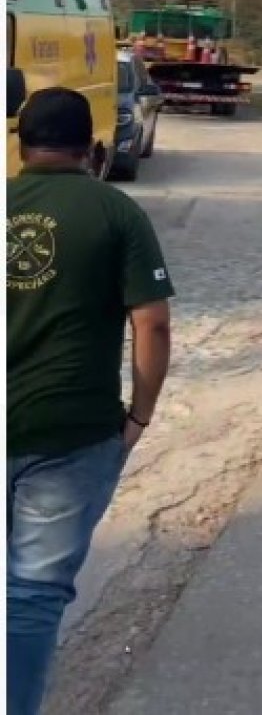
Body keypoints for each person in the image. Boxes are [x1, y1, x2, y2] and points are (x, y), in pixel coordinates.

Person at [6, 87, 174, 715]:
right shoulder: (116, 212)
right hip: (72, 435)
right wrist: (139, 417)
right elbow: (152, 325)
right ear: (93, 149)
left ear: (21, 142)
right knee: (30, 594)